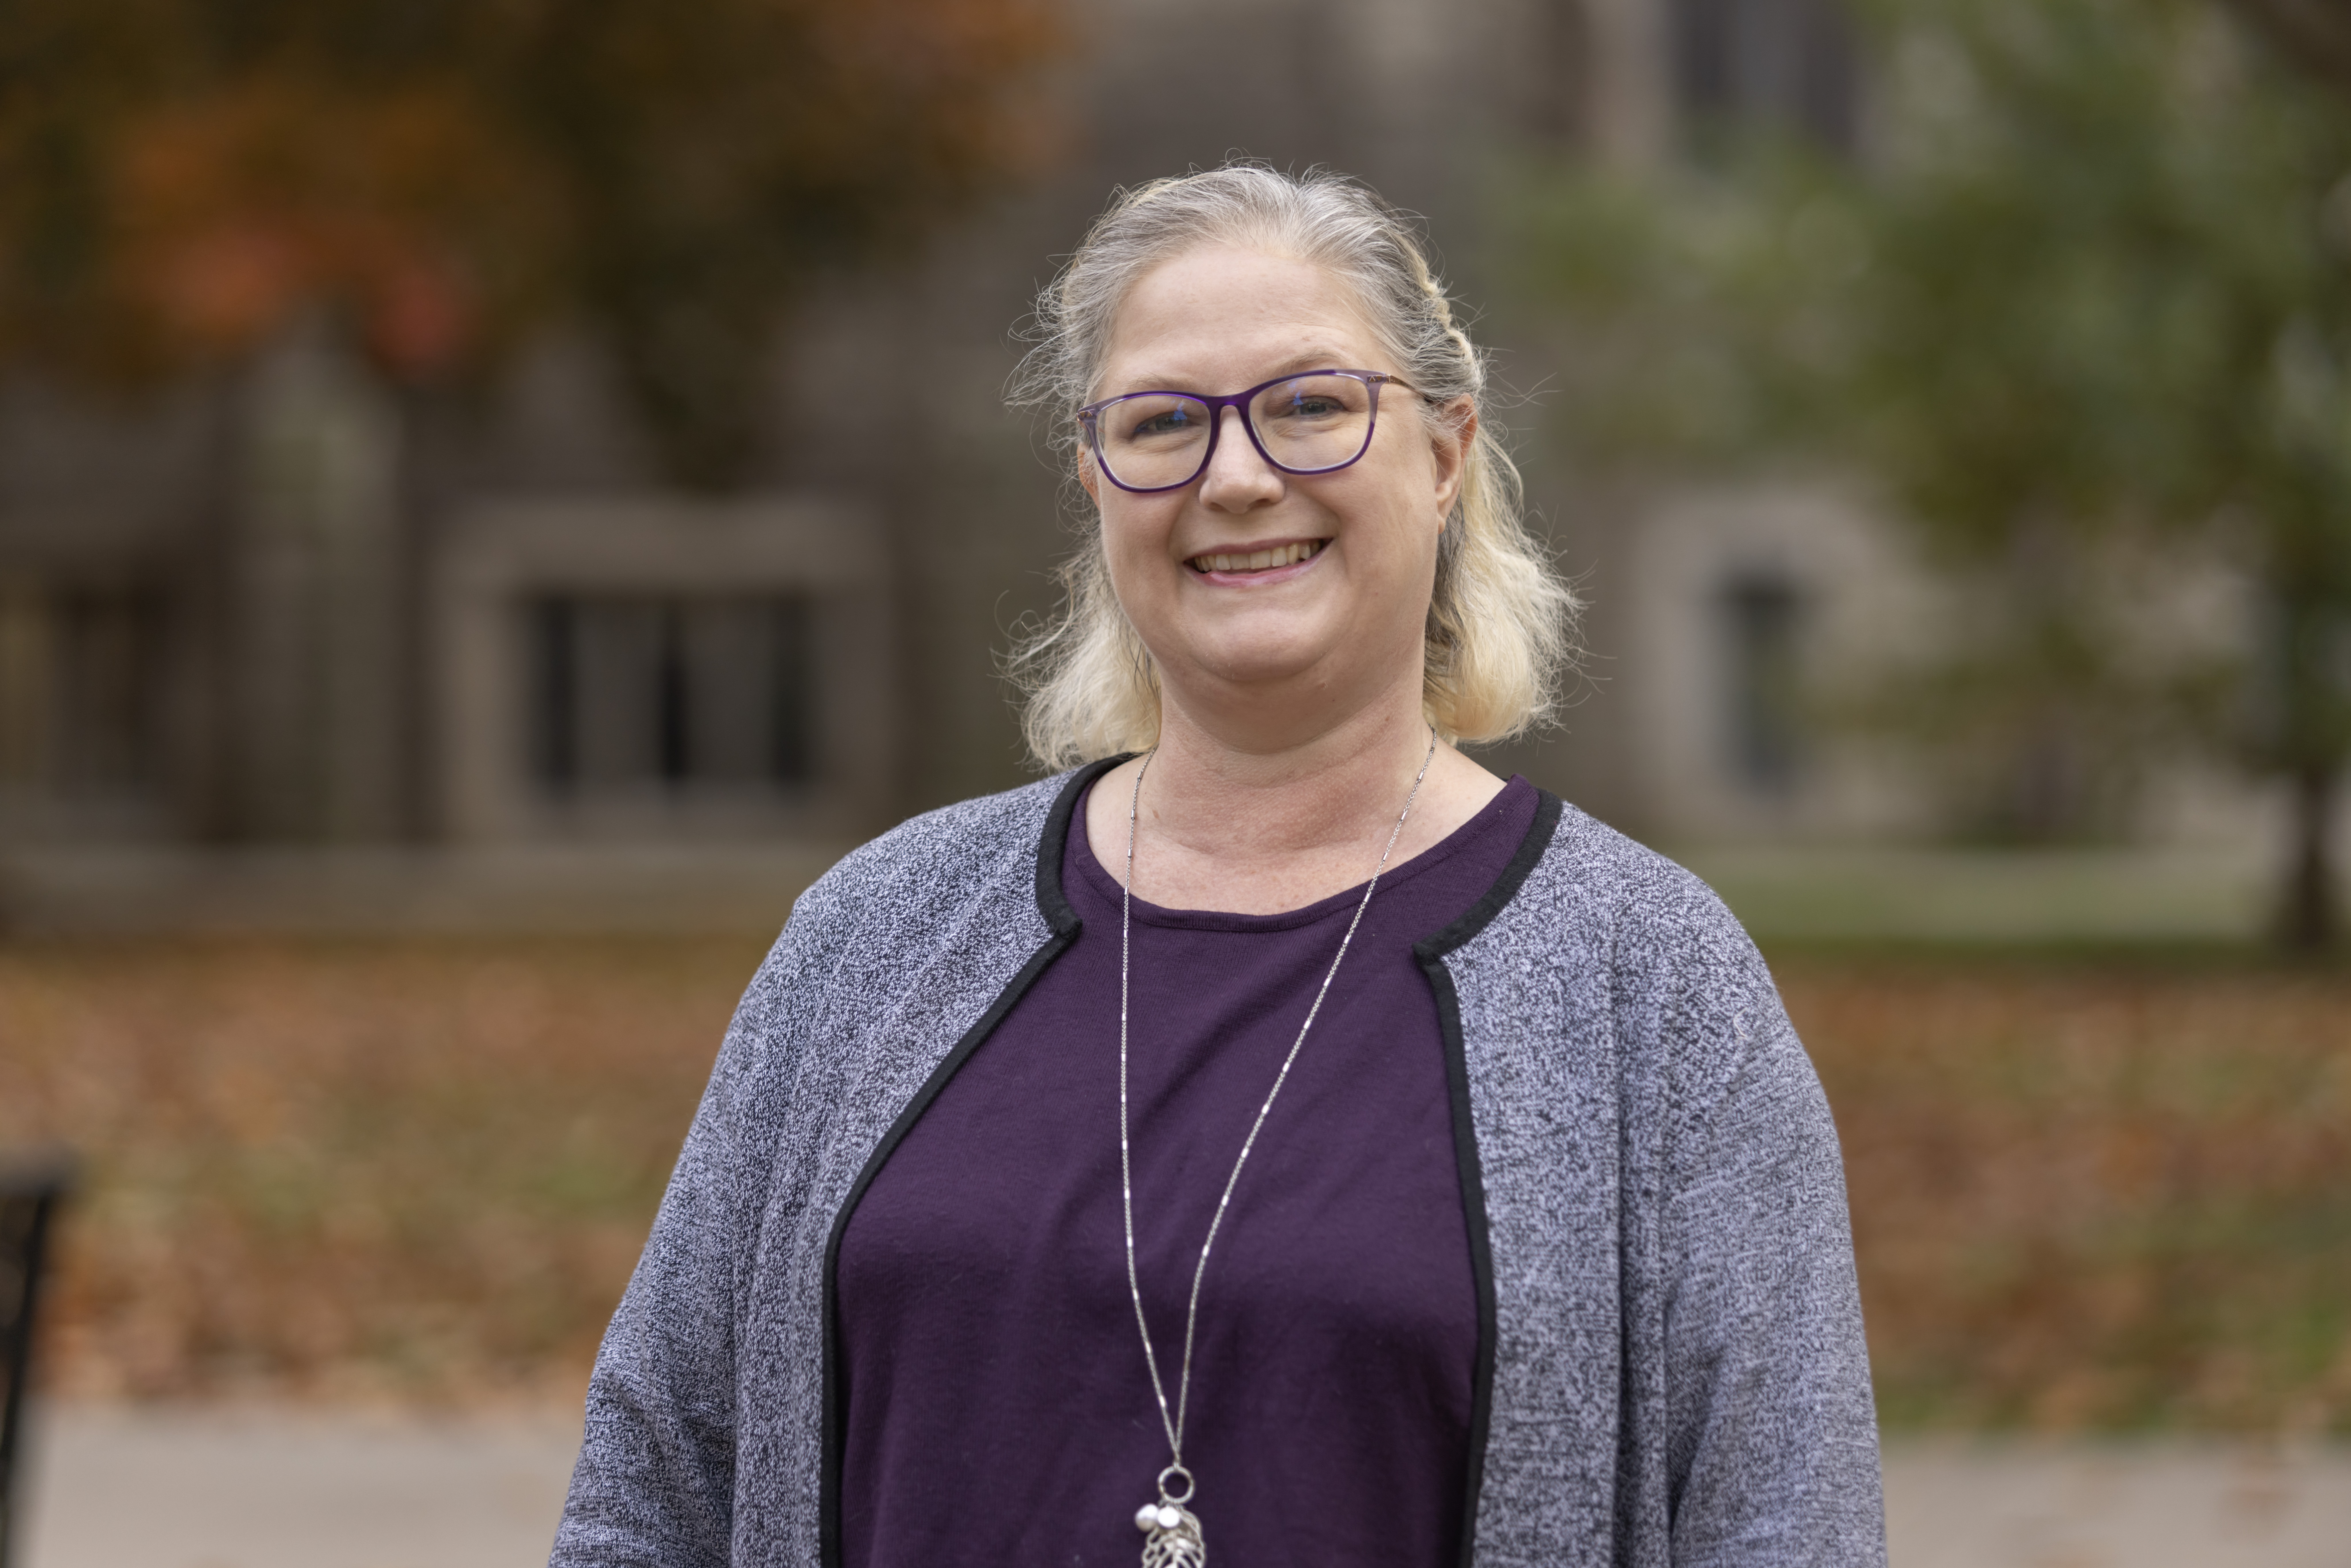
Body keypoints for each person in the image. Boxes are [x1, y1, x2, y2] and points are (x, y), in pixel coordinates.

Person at [550, 163, 1884, 1568]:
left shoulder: (1650, 987)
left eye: (1310, 406)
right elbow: (656, 1482)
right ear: (1096, 482)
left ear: (1441, 455)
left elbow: (1779, 1522)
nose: (1235, 478)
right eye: (1163, 422)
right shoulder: (871, 936)